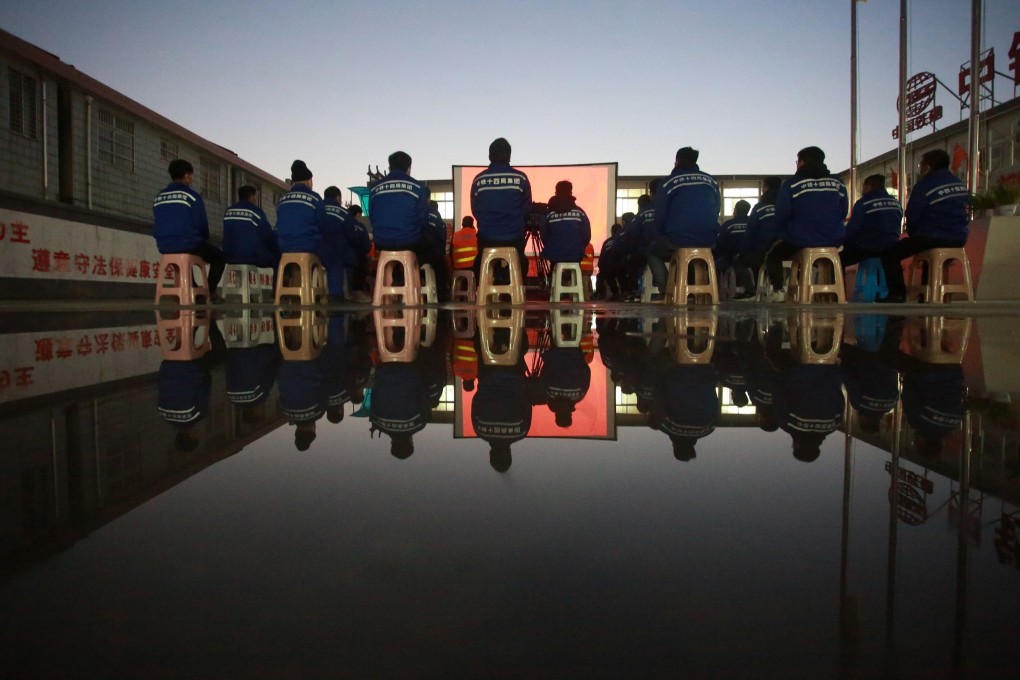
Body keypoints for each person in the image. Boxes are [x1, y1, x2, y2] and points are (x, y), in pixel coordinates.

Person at [880, 149, 970, 302]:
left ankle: (898, 294)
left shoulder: (925, 184)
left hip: (932, 235)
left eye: (920, 165)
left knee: (889, 253)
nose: (920, 168)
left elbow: (914, 214)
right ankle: (926, 296)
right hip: (959, 237)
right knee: (930, 256)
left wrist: (914, 234)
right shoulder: (959, 183)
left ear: (927, 167)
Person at [764, 147, 849, 302]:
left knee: (772, 255)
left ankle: (778, 291)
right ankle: (835, 294)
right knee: (831, 257)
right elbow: (844, 210)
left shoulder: (792, 184)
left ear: (802, 162)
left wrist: (780, 233)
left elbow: (782, 214)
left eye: (797, 162)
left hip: (800, 239)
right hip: (833, 239)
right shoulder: (838, 182)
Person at [369, 151, 449, 300]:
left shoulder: (375, 188)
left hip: (381, 241)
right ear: (409, 168)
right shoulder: (417, 187)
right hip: (409, 240)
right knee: (436, 255)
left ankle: (398, 276)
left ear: (390, 166)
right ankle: (440, 295)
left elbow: (372, 217)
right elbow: (423, 220)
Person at [648, 147, 721, 295]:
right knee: (694, 257)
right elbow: (716, 209)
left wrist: (662, 235)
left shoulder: (668, 183)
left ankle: (668, 292)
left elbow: (660, 215)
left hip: (678, 239)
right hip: (708, 240)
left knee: (652, 252)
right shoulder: (711, 181)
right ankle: (698, 293)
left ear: (677, 161)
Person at [153, 158, 225, 295]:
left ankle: (193, 291)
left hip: (164, 245)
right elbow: (202, 224)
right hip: (188, 243)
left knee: (184, 258)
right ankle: (209, 292)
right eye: (191, 175)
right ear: (187, 175)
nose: (191, 179)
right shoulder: (191, 196)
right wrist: (203, 239)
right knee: (219, 257)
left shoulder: (159, 197)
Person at [470, 137, 533, 274]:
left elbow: (476, 209)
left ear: (489, 156)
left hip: (487, 236)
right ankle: (515, 288)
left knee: (480, 262)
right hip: (514, 236)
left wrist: (488, 223)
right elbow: (526, 207)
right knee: (520, 261)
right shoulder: (521, 178)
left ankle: (485, 288)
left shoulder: (479, 179)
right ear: (509, 156)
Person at [275, 160, 333, 296]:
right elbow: (323, 225)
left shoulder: (282, 200)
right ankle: (331, 297)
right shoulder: (315, 199)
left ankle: (292, 293)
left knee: (295, 262)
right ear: (309, 181)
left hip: (284, 246)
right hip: (309, 244)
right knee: (334, 259)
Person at [841, 173, 903, 268]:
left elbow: (852, 230)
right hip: (893, 247)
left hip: (870, 248)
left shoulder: (864, 203)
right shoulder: (896, 203)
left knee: (837, 260)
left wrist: (843, 242)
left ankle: (839, 283)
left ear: (868, 187)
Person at [735, 176, 782, 298]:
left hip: (764, 250)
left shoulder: (760, 208)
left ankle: (752, 291)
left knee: (741, 261)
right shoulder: (785, 205)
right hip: (786, 247)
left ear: (766, 188)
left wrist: (743, 252)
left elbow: (750, 234)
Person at [222, 185, 279, 269]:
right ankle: (278, 282)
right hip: (251, 256)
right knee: (279, 258)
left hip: (228, 255)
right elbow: (268, 236)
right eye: (256, 196)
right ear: (252, 196)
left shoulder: (228, 211)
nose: (256, 199)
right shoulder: (255, 212)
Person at [540, 180, 591, 268]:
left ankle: (554, 278)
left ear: (556, 193)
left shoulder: (549, 214)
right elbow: (587, 236)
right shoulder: (580, 213)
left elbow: (543, 235)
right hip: (575, 255)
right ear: (571, 193)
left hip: (554, 255)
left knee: (555, 273)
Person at [715, 199, 753, 296]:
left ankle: (716, 291)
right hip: (751, 257)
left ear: (735, 210)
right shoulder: (752, 224)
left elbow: (720, 244)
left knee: (714, 265)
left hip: (730, 258)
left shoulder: (728, 225)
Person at [593, 224, 625, 300]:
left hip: (607, 268)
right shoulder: (623, 239)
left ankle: (601, 293)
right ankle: (625, 293)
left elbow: (602, 258)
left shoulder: (607, 242)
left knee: (603, 275)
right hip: (619, 266)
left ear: (611, 231)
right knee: (622, 273)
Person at [347, 205, 372, 295]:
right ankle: (358, 292)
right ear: (358, 215)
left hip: (343, 257)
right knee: (365, 260)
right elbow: (367, 245)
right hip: (357, 260)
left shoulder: (344, 223)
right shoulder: (360, 226)